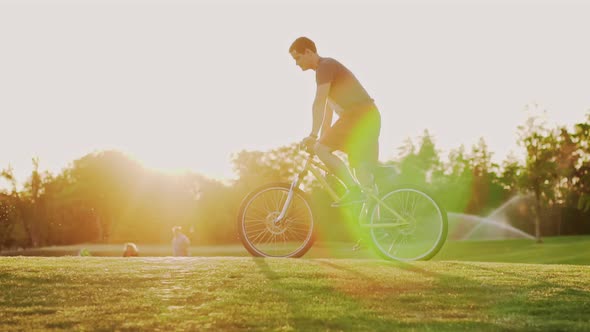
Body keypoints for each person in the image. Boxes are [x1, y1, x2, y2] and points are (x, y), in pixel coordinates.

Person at [289, 37, 381, 206]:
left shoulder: (325, 66)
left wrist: (313, 136)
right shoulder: (327, 72)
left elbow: (319, 101)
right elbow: (327, 116)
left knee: (323, 150)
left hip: (360, 115)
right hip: (367, 117)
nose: (296, 63)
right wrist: (322, 146)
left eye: (297, 58)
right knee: (361, 174)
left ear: (308, 52)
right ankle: (380, 219)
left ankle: (353, 191)